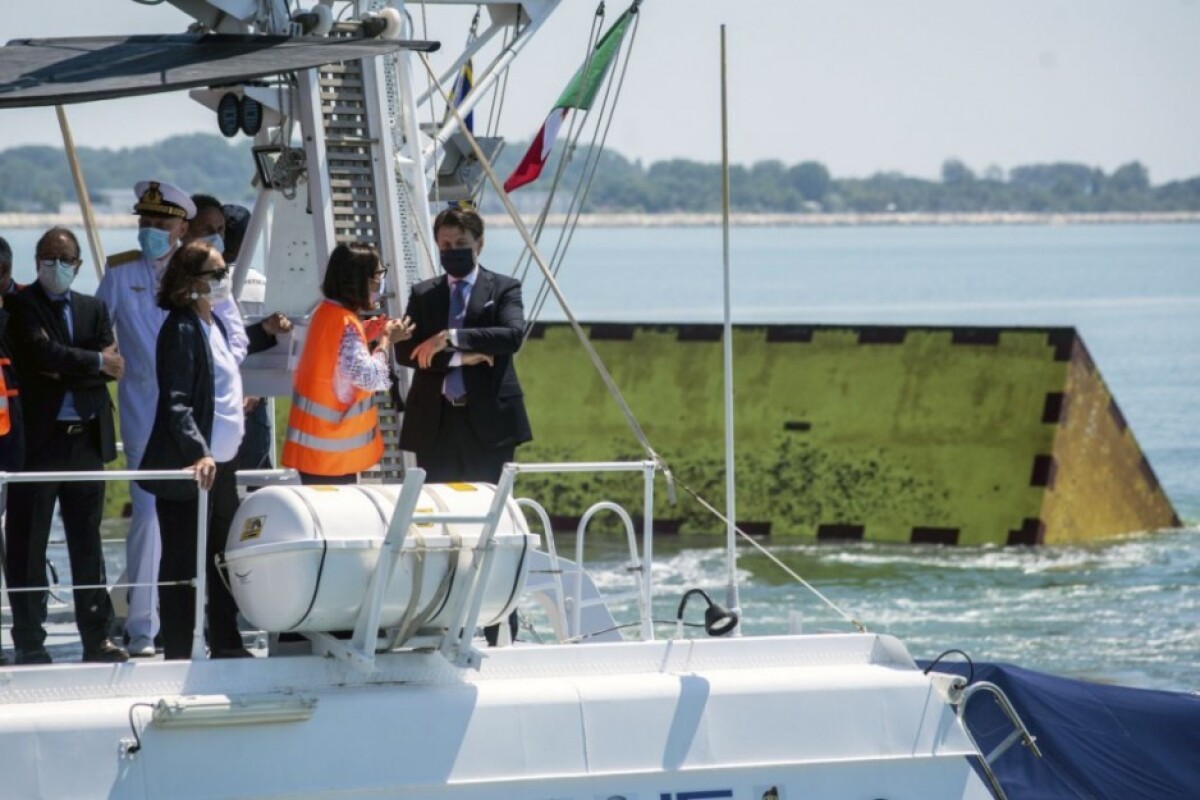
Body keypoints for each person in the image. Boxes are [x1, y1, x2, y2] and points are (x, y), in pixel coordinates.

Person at [96, 180, 247, 658]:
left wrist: (221, 380)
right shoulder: (122, 274)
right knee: (147, 517)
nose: (150, 232)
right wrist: (104, 355)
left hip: (203, 420)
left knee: (211, 538)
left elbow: (235, 339)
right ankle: (144, 627)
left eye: (160, 225)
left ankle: (215, 630)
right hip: (147, 412)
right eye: (144, 223)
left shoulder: (206, 273)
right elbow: (98, 326)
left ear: (181, 228)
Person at [3, 227, 128, 664]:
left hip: (87, 443)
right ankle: (30, 642)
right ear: (36, 261)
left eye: (63, 259)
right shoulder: (21, 306)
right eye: (46, 257)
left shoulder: (94, 308)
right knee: (28, 545)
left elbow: (114, 369)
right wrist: (93, 362)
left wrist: (75, 366)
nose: (54, 266)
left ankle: (98, 638)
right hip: (39, 444)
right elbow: (40, 356)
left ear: (77, 265)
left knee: (87, 544)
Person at [137, 241, 249, 660]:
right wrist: (198, 452)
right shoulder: (181, 328)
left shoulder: (214, 324)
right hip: (194, 469)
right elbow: (177, 401)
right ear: (191, 282)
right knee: (182, 563)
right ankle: (180, 650)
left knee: (222, 558)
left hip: (223, 465)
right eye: (215, 274)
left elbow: (217, 387)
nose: (224, 281)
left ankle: (225, 640)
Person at [395, 206, 532, 483]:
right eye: (445, 244)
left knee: (488, 505)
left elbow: (512, 335)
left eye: (461, 244)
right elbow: (406, 352)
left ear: (479, 243)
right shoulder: (423, 294)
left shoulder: (504, 288)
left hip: (489, 421)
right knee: (438, 507)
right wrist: (460, 358)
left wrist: (450, 337)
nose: (452, 250)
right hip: (435, 421)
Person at [281, 243, 412, 484]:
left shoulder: (325, 313)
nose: (379, 284)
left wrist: (368, 332)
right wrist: (386, 340)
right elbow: (370, 377)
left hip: (314, 451)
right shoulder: (346, 325)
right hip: (333, 457)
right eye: (377, 277)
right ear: (359, 281)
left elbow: (336, 355)